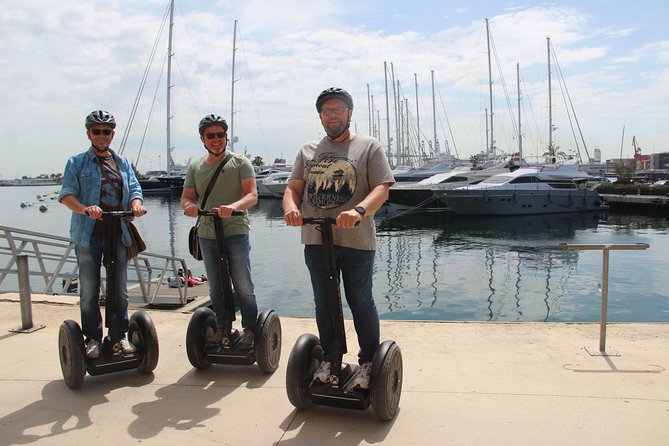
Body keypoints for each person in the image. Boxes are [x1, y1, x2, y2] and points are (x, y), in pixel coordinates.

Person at [283, 87, 395, 389]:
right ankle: (331, 358)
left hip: (356, 241)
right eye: (327, 111)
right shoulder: (307, 150)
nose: (333, 115)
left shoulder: (368, 146)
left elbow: (382, 188)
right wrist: (292, 208)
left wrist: (359, 210)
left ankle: (369, 362)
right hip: (317, 239)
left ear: (349, 113)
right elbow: (293, 188)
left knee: (359, 300)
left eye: (338, 109)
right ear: (320, 116)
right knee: (324, 302)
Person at [59, 110, 146, 359]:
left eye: (105, 131)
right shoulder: (76, 162)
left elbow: (134, 188)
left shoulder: (122, 162)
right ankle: (93, 339)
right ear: (88, 133)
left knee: (119, 289)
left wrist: (136, 204)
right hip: (88, 234)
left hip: (117, 232)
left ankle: (118, 336)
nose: (101, 135)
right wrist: (85, 208)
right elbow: (66, 194)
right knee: (89, 288)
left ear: (112, 134)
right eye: (96, 131)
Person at [180, 114, 258, 349]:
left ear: (226, 137)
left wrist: (233, 207)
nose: (216, 140)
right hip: (207, 232)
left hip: (235, 230)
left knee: (242, 284)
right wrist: (190, 207)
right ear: (203, 138)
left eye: (220, 135)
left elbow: (252, 195)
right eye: (211, 136)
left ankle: (251, 330)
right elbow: (186, 197)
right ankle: (223, 327)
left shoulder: (240, 162)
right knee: (216, 285)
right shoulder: (196, 166)